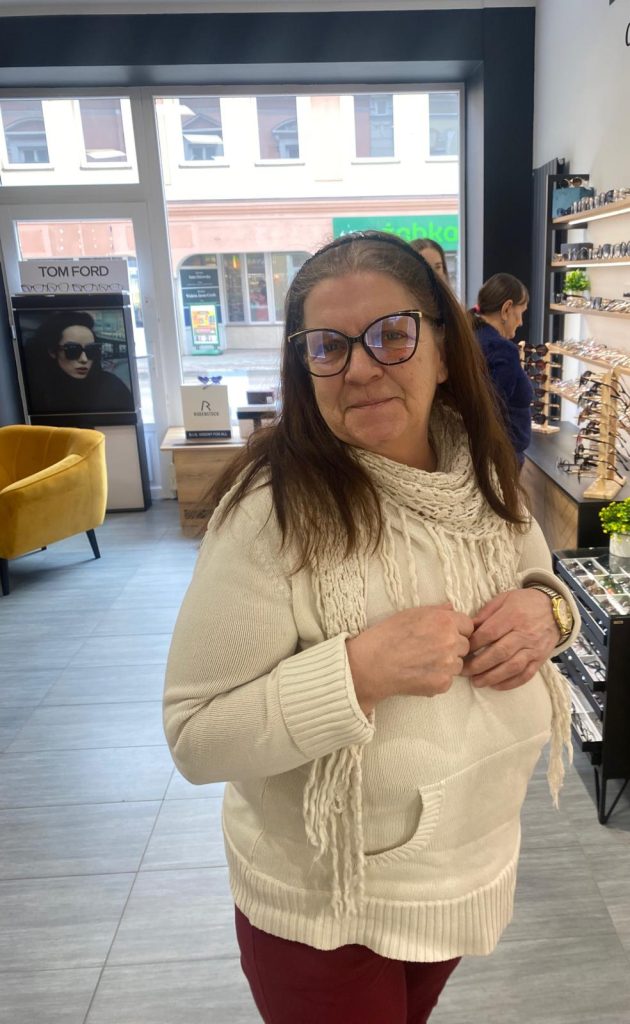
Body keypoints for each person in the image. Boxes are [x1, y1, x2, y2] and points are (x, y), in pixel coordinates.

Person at [164, 231, 579, 1024]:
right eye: (329, 346)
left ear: (444, 351)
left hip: (460, 871)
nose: (360, 367)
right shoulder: (270, 515)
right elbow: (195, 736)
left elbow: (541, 583)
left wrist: (548, 611)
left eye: (393, 334)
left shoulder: (480, 468)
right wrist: (353, 674)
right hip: (326, 907)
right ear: (304, 368)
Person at [469, 273, 533, 463]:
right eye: (521, 312)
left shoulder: (470, 337)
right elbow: (493, 414)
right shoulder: (502, 350)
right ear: (507, 309)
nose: (521, 322)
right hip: (499, 458)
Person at [24, 310, 134, 414]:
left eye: (91, 350)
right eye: (73, 350)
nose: (84, 359)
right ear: (52, 351)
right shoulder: (36, 390)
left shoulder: (112, 387)